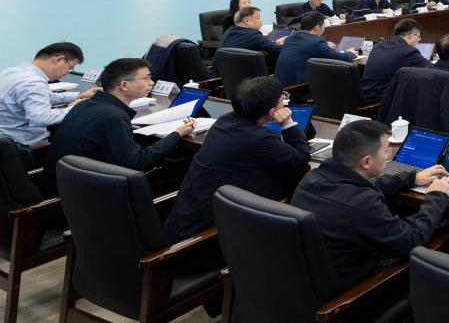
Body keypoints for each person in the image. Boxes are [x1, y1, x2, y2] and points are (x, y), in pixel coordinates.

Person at [289, 119, 449, 292]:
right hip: (357, 291)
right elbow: (414, 240)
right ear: (367, 161)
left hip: (310, 280)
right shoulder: (362, 203)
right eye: (385, 150)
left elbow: (357, 186)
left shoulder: (313, 177)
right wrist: (436, 196)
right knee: (446, 228)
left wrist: (410, 178)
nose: (387, 155)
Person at [164, 76, 310, 240]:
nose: (284, 102)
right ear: (272, 112)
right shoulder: (260, 139)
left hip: (185, 221)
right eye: (282, 99)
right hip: (205, 238)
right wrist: (288, 123)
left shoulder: (224, 121)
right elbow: (301, 155)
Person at [42, 58, 194, 195]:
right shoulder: (113, 116)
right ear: (124, 85)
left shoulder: (86, 104)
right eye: (146, 78)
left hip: (64, 184)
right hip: (87, 195)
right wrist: (176, 134)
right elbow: (137, 163)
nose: (152, 83)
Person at [0, 42, 97, 165]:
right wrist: (75, 108)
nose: (67, 73)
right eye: (70, 68)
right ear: (58, 60)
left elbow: (43, 96)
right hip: (24, 151)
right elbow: (41, 118)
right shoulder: (33, 82)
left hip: (6, 141)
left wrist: (78, 95)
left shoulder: (12, 72)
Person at [274, 12, 358, 85]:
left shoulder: (290, 39)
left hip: (281, 87)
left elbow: (304, 48)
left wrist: (325, 46)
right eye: (323, 26)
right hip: (299, 88)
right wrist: (351, 52)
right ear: (317, 28)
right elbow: (343, 58)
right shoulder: (316, 43)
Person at [360, 20, 431, 101]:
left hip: (363, 95)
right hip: (379, 101)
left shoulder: (378, 45)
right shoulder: (408, 51)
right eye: (419, 37)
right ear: (411, 36)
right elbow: (431, 68)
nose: (418, 40)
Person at [214, 6, 285, 75]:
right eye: (258, 18)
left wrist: (274, 42)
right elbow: (277, 50)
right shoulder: (253, 34)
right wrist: (289, 41)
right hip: (244, 78)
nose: (261, 21)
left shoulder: (230, 30)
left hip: (221, 76)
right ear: (246, 21)